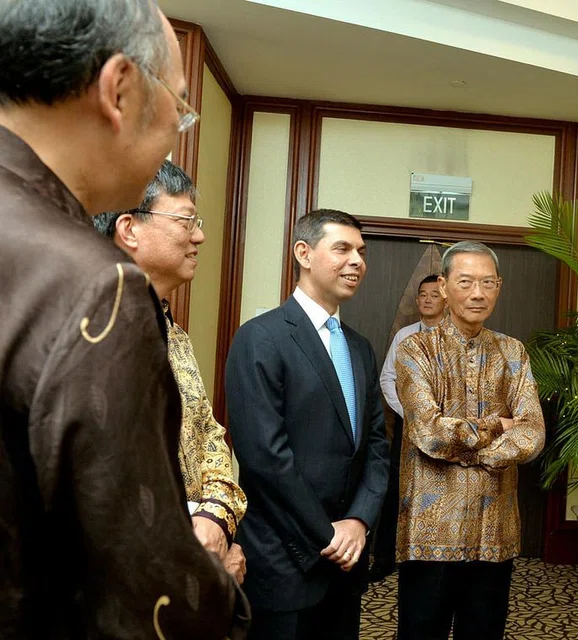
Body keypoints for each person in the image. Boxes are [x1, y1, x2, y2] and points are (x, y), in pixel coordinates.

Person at [0, 1, 247, 637]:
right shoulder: (97, 289)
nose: (179, 128)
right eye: (181, 107)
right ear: (119, 90)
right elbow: (147, 593)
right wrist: (225, 590)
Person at [226, 209, 390, 640]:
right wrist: (327, 535)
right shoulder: (260, 337)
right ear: (304, 252)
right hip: (285, 561)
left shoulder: (360, 348)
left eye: (361, 251)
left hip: (347, 561)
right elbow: (264, 457)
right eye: (342, 248)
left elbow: (375, 446)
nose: (357, 261)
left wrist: (358, 522)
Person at [93, 160, 248, 583]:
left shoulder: (174, 335)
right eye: (185, 222)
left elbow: (210, 438)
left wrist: (217, 523)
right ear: (129, 229)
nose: (199, 236)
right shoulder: (88, 332)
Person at [394, 241, 545, 640]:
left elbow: (532, 432)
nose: (478, 293)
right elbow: (428, 431)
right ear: (443, 287)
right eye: (465, 282)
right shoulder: (415, 349)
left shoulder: (513, 352)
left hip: (494, 531)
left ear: (499, 286)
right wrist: (498, 424)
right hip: (430, 534)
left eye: (488, 283)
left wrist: (471, 450)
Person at [371, 273, 446, 581]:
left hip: (445, 429)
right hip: (407, 427)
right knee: (395, 492)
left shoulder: (453, 336)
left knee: (437, 489)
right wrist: (409, 413)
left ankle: (431, 557)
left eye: (433, 295)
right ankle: (386, 558)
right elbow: (387, 378)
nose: (427, 300)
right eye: (422, 295)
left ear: (445, 299)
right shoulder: (405, 335)